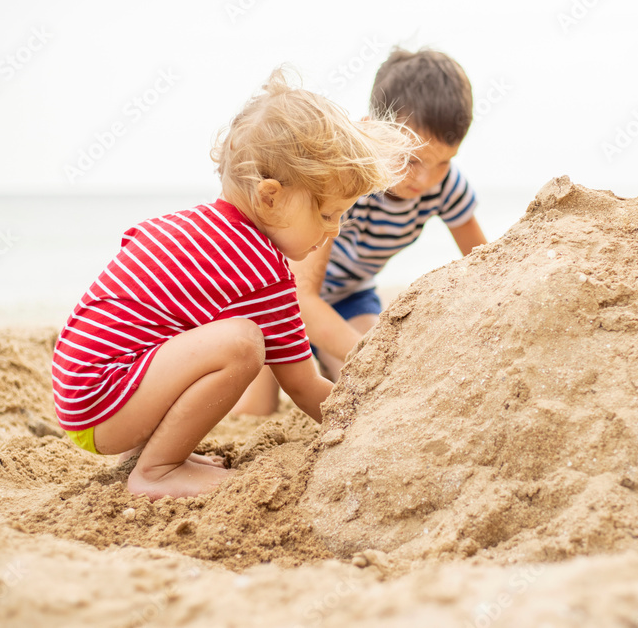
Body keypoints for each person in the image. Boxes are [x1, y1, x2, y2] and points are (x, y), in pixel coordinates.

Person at [51, 69, 415, 500]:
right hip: (104, 406)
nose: (334, 231)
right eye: (327, 214)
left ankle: (157, 453)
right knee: (242, 344)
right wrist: (372, 420)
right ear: (270, 196)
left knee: (208, 335)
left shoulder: (191, 229)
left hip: (80, 394)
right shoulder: (264, 271)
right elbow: (303, 385)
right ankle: (157, 471)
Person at [232, 47, 487, 415]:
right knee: (256, 411)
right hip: (277, 300)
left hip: (350, 296)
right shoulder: (347, 181)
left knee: (367, 392)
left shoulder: (446, 188)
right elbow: (301, 298)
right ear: (372, 130)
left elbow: (486, 267)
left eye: (443, 162)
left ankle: (333, 361)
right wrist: (369, 357)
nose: (426, 178)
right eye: (411, 159)